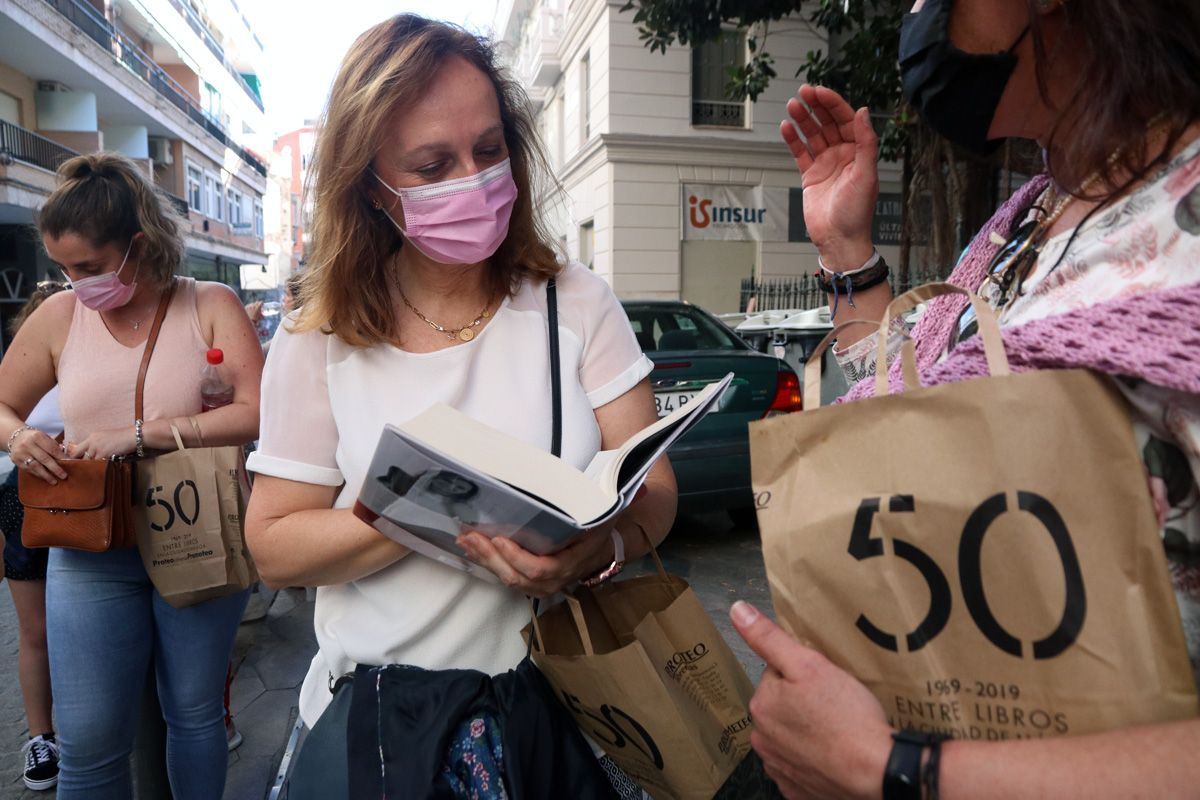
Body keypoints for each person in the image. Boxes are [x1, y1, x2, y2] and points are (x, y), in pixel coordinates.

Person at [731, 0, 1200, 796]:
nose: (916, 12)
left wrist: (887, 768)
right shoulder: (1033, 214)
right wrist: (845, 249)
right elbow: (911, 425)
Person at [243, 14, 676, 796]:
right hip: (380, 730)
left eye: (488, 151)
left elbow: (657, 493)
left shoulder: (576, 303)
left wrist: (598, 547)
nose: (472, 181)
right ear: (371, 187)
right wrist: (422, 513)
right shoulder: (320, 340)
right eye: (432, 165)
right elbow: (273, 544)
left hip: (554, 718)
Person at [0, 152, 264, 800]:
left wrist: (141, 435)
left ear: (136, 245)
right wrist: (20, 436)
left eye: (87, 266)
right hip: (90, 547)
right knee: (89, 742)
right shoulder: (61, 317)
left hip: (198, 530)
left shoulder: (208, 303)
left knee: (196, 715)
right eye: (63, 266)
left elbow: (256, 414)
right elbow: (1, 405)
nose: (74, 281)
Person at [0, 281, 67, 790]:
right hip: (26, 500)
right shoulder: (24, 368)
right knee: (36, 630)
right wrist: (23, 439)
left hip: (102, 500)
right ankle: (42, 736)